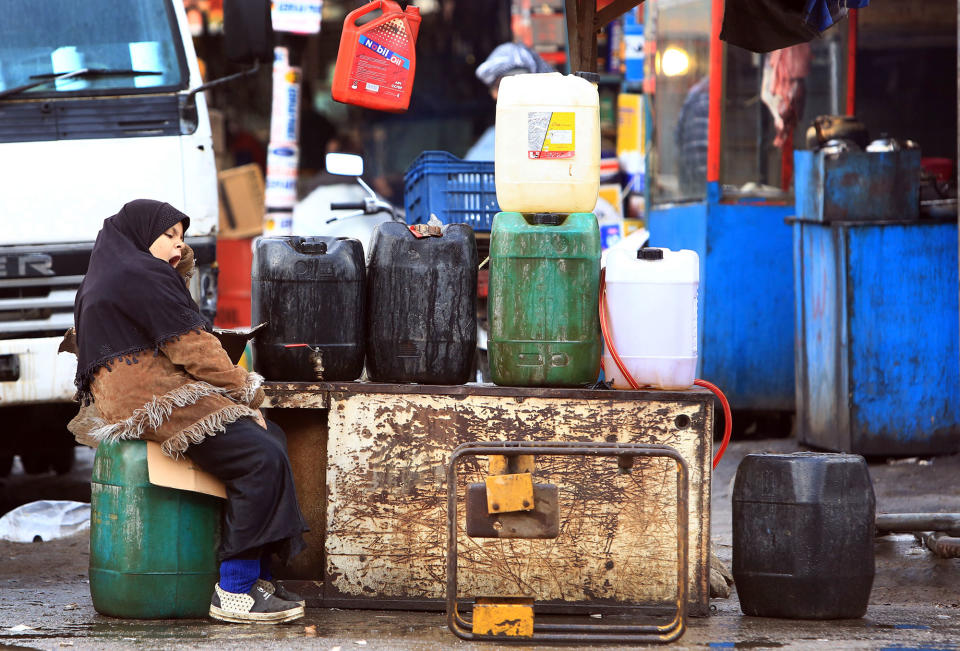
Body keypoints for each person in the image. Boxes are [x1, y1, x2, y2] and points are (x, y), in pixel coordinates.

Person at [71, 200, 308, 625]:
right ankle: (234, 590)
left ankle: (259, 576)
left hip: (132, 394)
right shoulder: (143, 273)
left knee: (269, 438)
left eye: (182, 238)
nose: (179, 247)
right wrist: (243, 392)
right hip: (153, 398)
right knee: (260, 456)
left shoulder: (109, 270)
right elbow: (192, 347)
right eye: (169, 237)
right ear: (143, 236)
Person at [465, 42, 554, 161]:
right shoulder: (495, 135)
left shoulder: (551, 131)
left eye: (499, 86)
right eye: (494, 87)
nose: (494, 95)